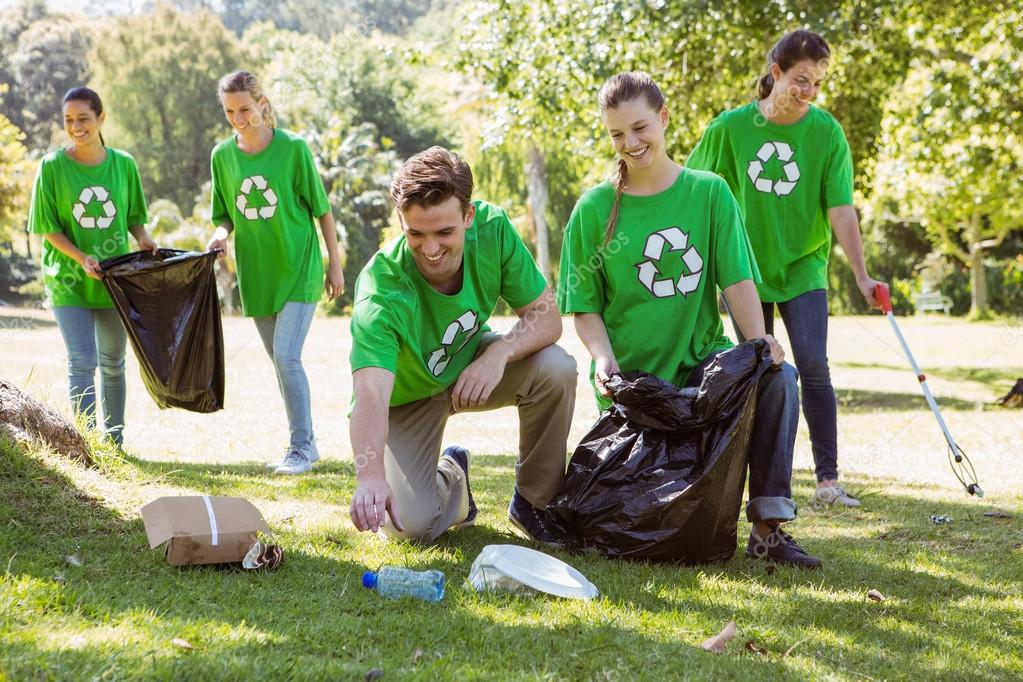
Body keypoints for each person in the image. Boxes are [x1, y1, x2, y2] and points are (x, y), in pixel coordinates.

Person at [558, 72, 821, 568]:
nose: (630, 143)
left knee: (779, 378)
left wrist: (761, 343)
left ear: (663, 118)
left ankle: (768, 528)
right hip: (633, 384)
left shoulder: (709, 194)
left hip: (702, 369)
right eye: (616, 134)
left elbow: (738, 281)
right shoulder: (594, 210)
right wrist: (601, 359)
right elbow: (584, 307)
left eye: (639, 128)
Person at [687, 30, 885, 508]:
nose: (809, 91)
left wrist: (861, 274)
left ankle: (828, 481)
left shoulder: (826, 133)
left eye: (817, 82)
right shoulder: (729, 129)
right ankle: (754, 483)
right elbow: (690, 190)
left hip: (803, 267)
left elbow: (840, 208)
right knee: (760, 373)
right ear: (775, 72)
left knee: (813, 366)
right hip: (745, 274)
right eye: (800, 79)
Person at [347, 146, 576, 545]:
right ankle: (454, 478)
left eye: (444, 232)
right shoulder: (380, 289)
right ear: (400, 221)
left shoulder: (493, 230)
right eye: (415, 233)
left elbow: (547, 316)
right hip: (406, 399)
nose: (431, 249)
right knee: (409, 527)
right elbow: (370, 394)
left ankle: (534, 503)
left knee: (557, 367)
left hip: (470, 365)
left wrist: (499, 353)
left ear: (468, 216)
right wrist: (369, 476)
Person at [205, 71, 344, 475]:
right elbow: (224, 216)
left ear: (263, 103)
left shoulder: (294, 149)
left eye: (245, 109)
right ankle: (304, 445)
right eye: (230, 111)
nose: (238, 118)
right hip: (256, 273)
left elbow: (322, 211)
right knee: (282, 363)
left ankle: (301, 448)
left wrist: (334, 265)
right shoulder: (222, 156)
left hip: (299, 267)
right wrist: (218, 236)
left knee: (286, 357)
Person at [28, 86, 158, 447]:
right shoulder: (53, 167)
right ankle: (84, 442)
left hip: (113, 280)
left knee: (114, 362)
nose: (76, 126)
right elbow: (47, 227)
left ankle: (113, 442)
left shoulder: (124, 164)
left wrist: (144, 238)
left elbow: (133, 217)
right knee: (82, 359)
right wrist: (80, 257)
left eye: (83, 118)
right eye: (69, 120)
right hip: (68, 279)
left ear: (101, 118)